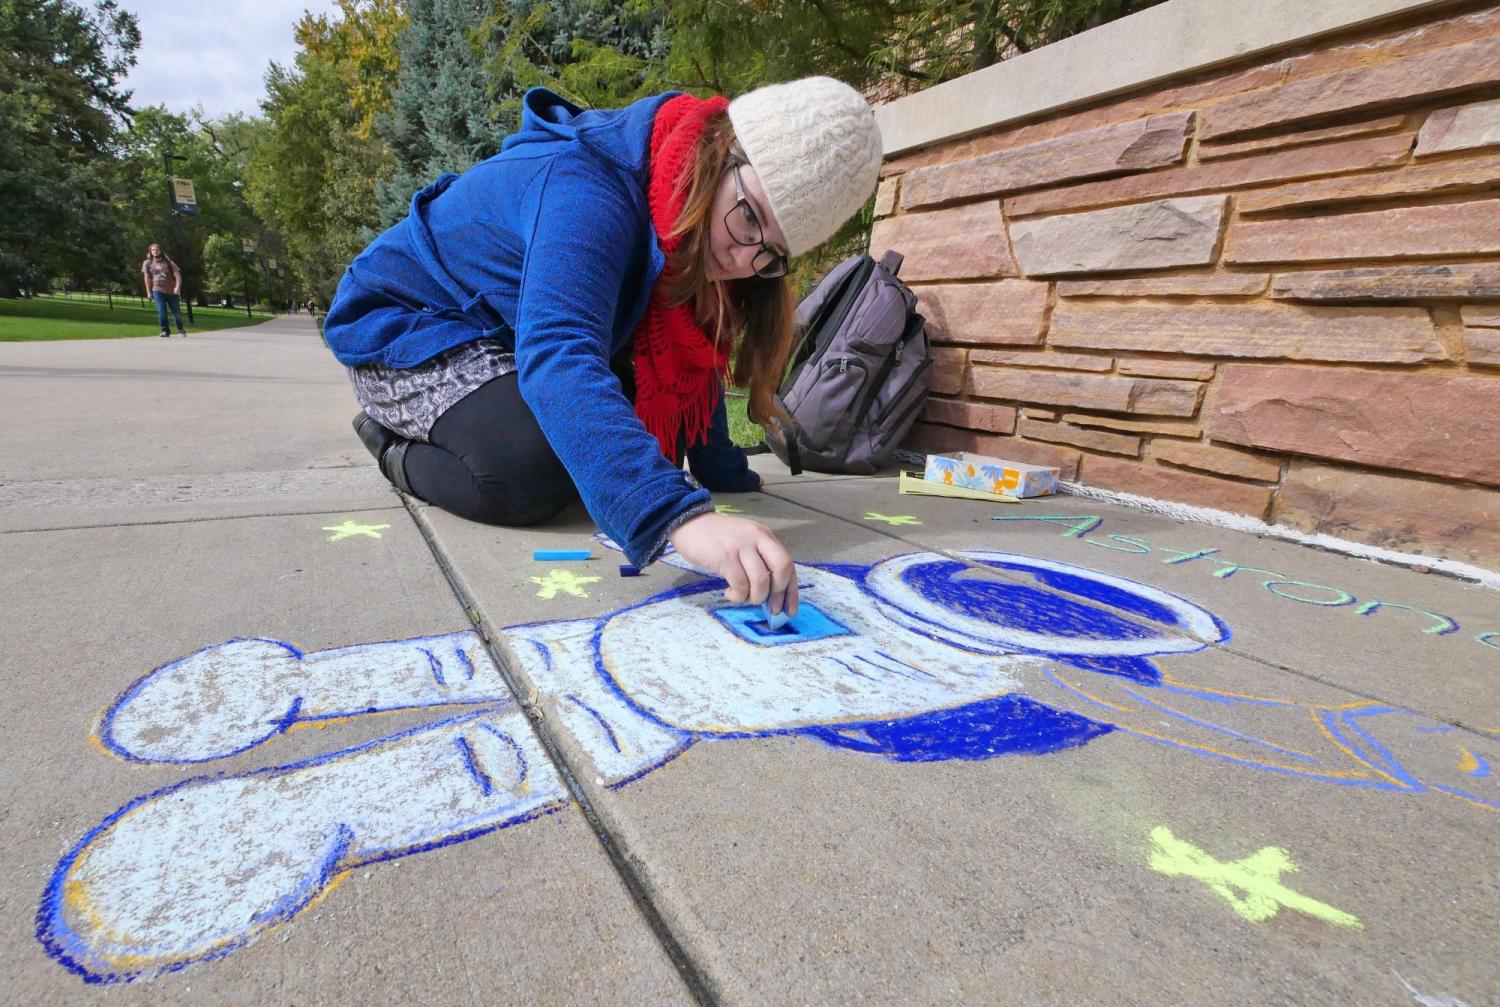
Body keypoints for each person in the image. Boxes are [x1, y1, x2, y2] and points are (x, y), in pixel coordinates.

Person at [322, 78, 881, 619]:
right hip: (409, 328)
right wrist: (677, 519)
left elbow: (695, 355)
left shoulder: (693, 208)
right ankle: (392, 446)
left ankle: (486, 419)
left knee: (604, 441)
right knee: (530, 471)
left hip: (508, 334)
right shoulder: (586, 187)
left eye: (773, 255)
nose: (743, 260)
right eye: (750, 217)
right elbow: (559, 353)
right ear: (722, 150)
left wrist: (723, 474)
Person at [141, 243, 187, 337]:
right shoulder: (147, 263)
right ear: (150, 252)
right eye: (153, 250)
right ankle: (165, 330)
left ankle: (180, 329)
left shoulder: (169, 262)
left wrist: (177, 287)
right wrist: (148, 292)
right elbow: (147, 278)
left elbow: (177, 275)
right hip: (157, 290)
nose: (155, 251)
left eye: (157, 249)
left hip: (172, 291)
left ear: (161, 251)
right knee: (161, 311)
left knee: (176, 313)